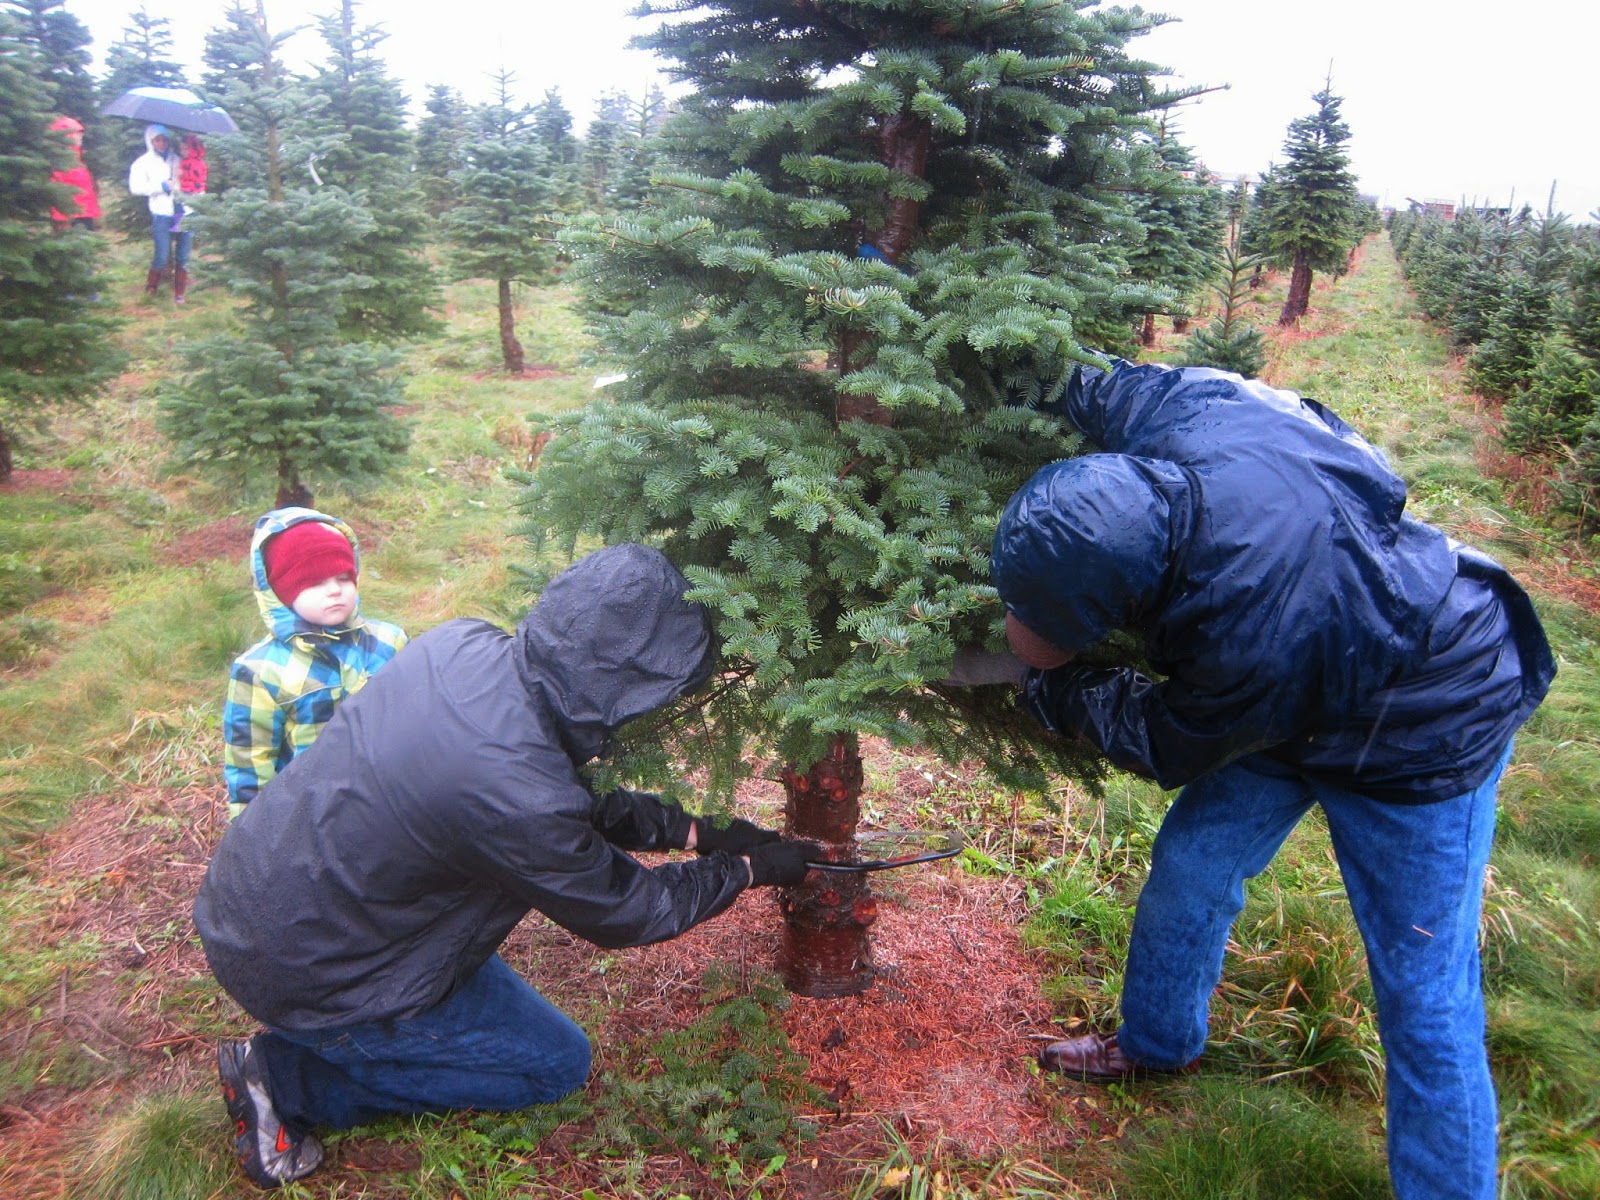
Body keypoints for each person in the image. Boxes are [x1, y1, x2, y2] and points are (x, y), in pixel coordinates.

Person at [959, 360, 1554, 1200]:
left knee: (1425, 989)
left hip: (1426, 721)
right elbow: (1096, 382)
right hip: (1310, 670)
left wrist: (1045, 689)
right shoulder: (1186, 413)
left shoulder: (1245, 645)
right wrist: (1019, 367)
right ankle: (1158, 1043)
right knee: (1192, 869)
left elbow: (1162, 740)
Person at [194, 543, 818, 1189]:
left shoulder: (462, 645)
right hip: (315, 971)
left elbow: (553, 794)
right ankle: (284, 1080)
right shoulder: (521, 797)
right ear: (619, 684)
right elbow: (631, 909)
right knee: (554, 1066)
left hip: (267, 893)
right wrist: (746, 870)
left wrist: (698, 832)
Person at [223, 508, 407, 819]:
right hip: (310, 815)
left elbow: (413, 720)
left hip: (387, 800)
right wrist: (252, 829)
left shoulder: (390, 642)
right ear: (282, 592)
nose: (334, 590)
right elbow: (250, 761)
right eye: (315, 582)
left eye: (343, 577)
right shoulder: (260, 671)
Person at [127, 123, 190, 302]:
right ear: (151, 141)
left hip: (181, 212)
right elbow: (136, 188)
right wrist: (161, 187)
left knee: (183, 256)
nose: (161, 143)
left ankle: (179, 294)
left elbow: (190, 182)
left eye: (164, 140)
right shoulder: (142, 163)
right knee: (161, 255)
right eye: (157, 140)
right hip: (161, 213)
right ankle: (151, 290)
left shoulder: (177, 159)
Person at [47, 116, 101, 230]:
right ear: (67, 135)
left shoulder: (77, 159)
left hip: (85, 214)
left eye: (81, 133)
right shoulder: (61, 162)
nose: (81, 136)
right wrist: (63, 220)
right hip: (72, 218)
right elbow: (59, 193)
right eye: (77, 133)